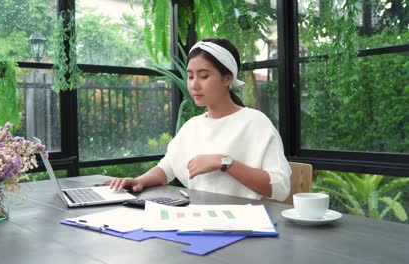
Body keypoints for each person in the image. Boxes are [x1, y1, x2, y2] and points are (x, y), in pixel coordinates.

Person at [108, 38, 291, 201]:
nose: (194, 84)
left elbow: (280, 187)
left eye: (204, 76)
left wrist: (224, 162)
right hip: (199, 219)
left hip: (244, 225)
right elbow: (167, 168)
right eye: (190, 76)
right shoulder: (193, 126)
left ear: (227, 78)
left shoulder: (255, 122)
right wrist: (139, 181)